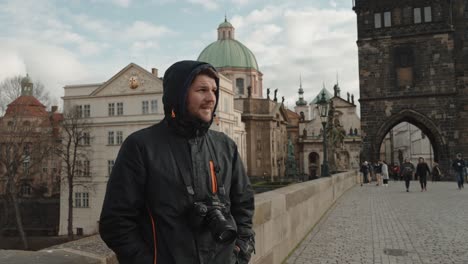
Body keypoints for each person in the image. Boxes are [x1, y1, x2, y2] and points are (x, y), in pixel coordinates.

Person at [99, 61, 255, 264]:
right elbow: (116, 223)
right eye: (202, 90)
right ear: (178, 95)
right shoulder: (140, 146)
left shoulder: (225, 146)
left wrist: (240, 253)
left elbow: (244, 206)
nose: (211, 98)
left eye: (214, 91)